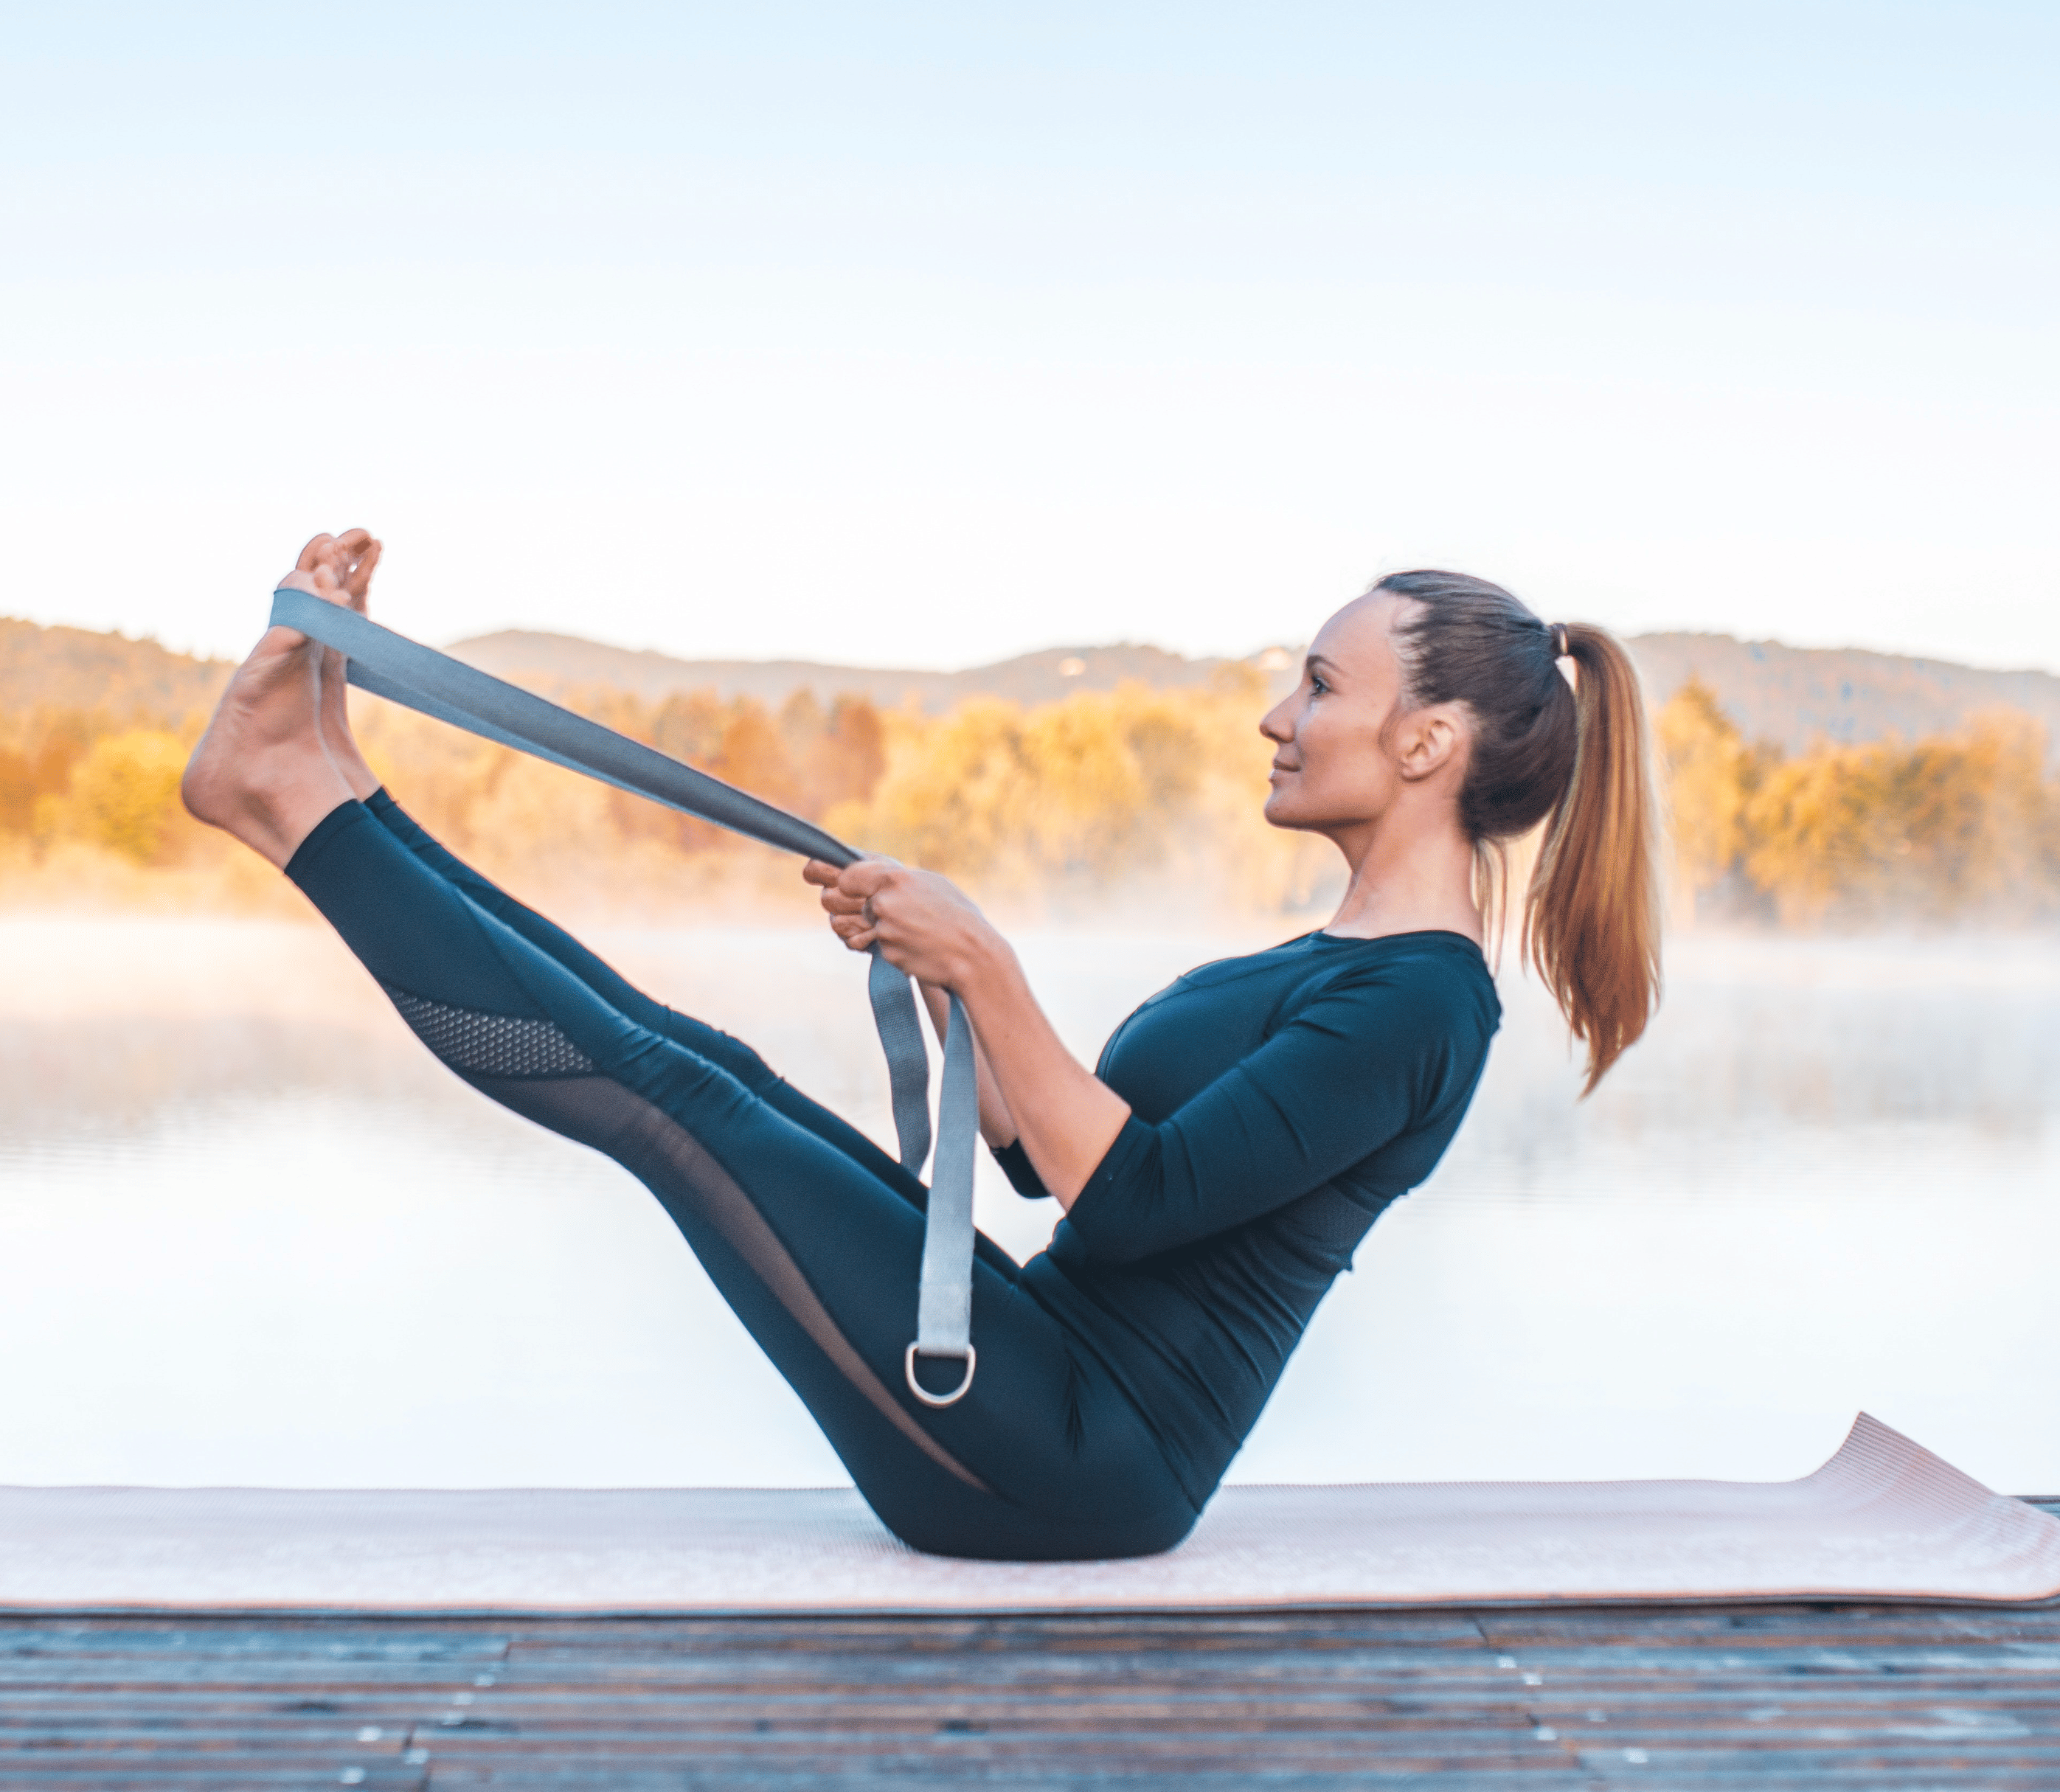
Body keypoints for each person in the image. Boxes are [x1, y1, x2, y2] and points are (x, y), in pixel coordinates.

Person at [182, 531, 1662, 1560]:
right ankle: (325, 785)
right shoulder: (1338, 962)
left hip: (1073, 1459)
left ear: (1430, 743)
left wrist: (990, 963)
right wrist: (949, 981)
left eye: (1323, 684)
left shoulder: (1420, 1001)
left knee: (675, 1098)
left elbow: (1131, 1197)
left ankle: (297, 805)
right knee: (709, 1068)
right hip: (1040, 1368)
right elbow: (1041, 1163)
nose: (1278, 714)